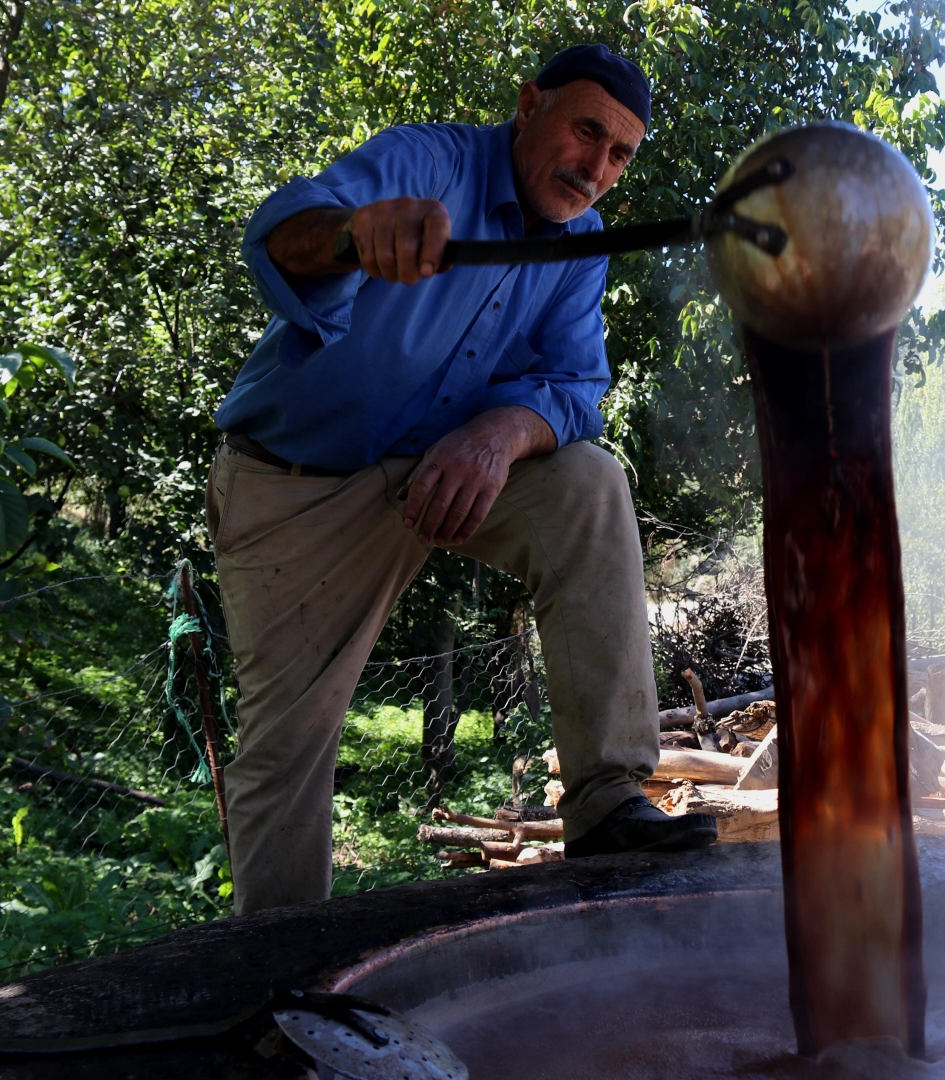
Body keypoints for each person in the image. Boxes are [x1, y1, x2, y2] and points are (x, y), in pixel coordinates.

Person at [208, 44, 718, 915]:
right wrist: (348, 237)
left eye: (620, 155)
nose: (596, 169)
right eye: (586, 131)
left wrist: (499, 432)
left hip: (439, 472)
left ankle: (604, 802)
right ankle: (280, 982)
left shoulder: (583, 243)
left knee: (589, 483)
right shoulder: (428, 161)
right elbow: (279, 234)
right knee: (286, 751)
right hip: (294, 484)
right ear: (528, 107)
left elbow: (574, 388)